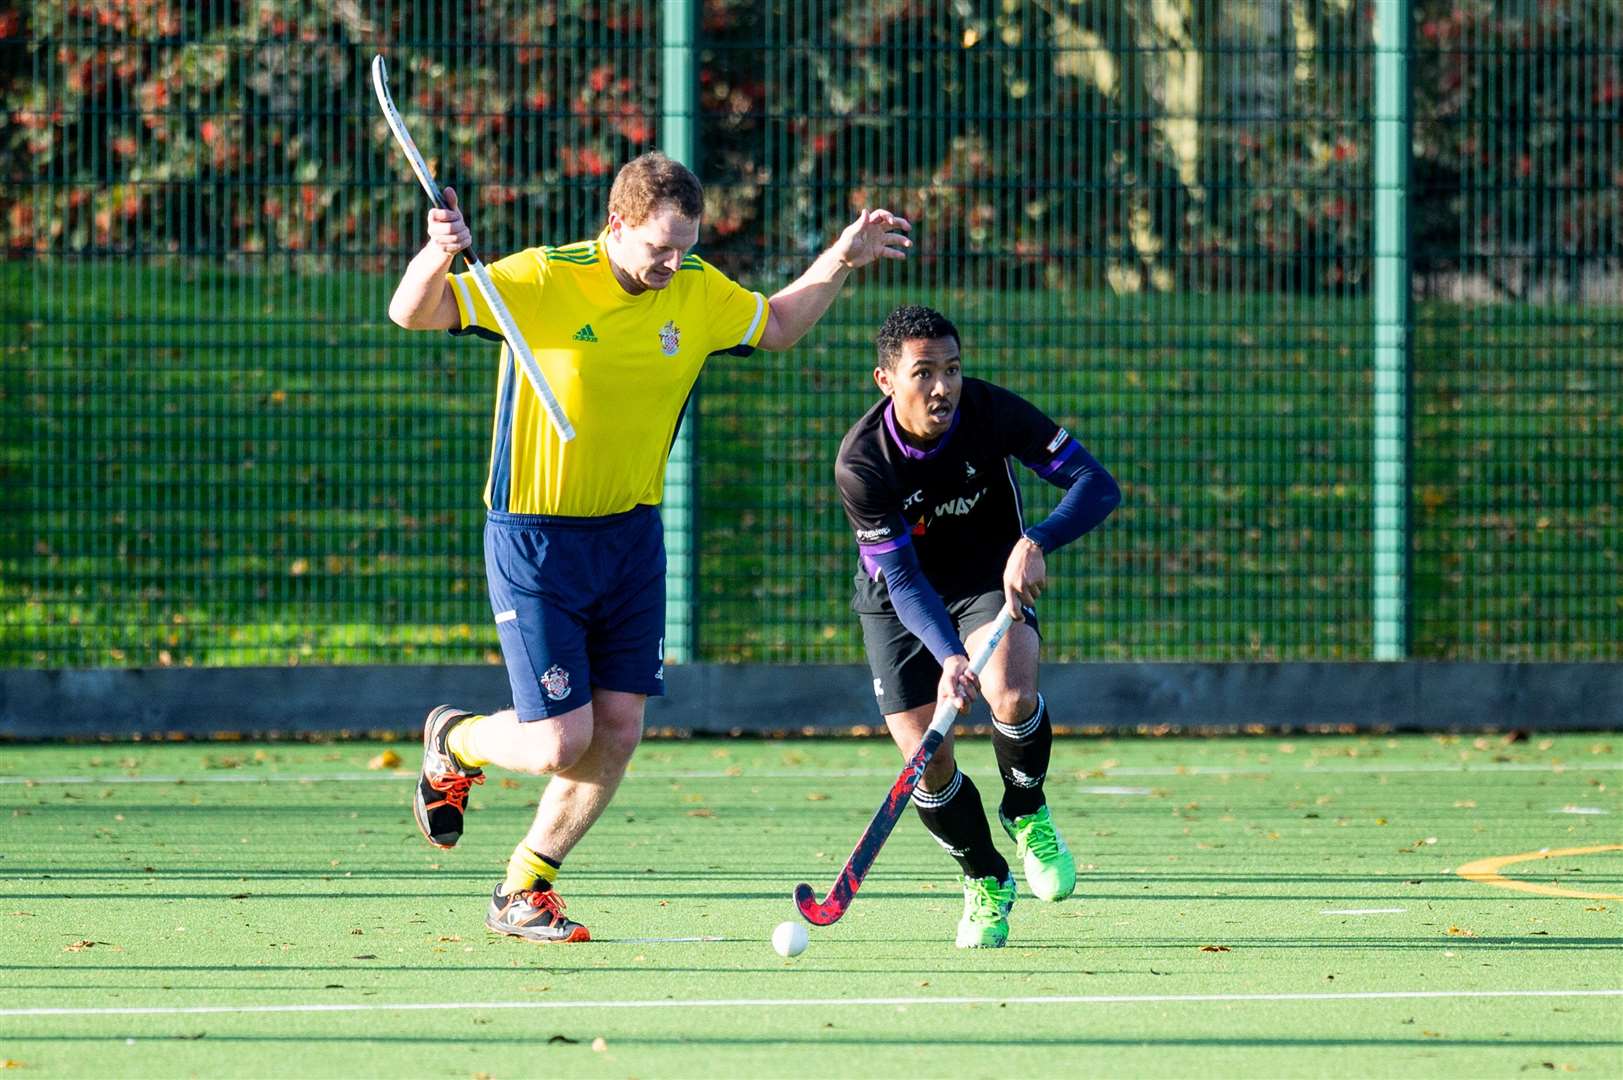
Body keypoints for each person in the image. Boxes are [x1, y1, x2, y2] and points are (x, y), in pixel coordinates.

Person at [387, 151, 910, 943]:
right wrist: (437, 250)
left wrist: (840, 256)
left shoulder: (695, 289)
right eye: (659, 247)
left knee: (619, 729)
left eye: (686, 245)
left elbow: (775, 325)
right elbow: (411, 312)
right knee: (559, 741)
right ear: (616, 224)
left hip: (631, 535)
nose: (673, 263)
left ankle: (523, 887)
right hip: (535, 538)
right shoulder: (539, 279)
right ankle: (452, 739)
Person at [833, 304, 1121, 948]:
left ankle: (1026, 809)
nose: (943, 388)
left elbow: (1096, 485)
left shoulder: (989, 412)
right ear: (886, 381)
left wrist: (1037, 539)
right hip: (900, 598)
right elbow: (902, 581)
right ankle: (985, 879)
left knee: (1012, 695)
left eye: (953, 369)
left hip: (989, 577)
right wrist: (946, 657)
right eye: (924, 373)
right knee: (926, 760)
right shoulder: (863, 463)